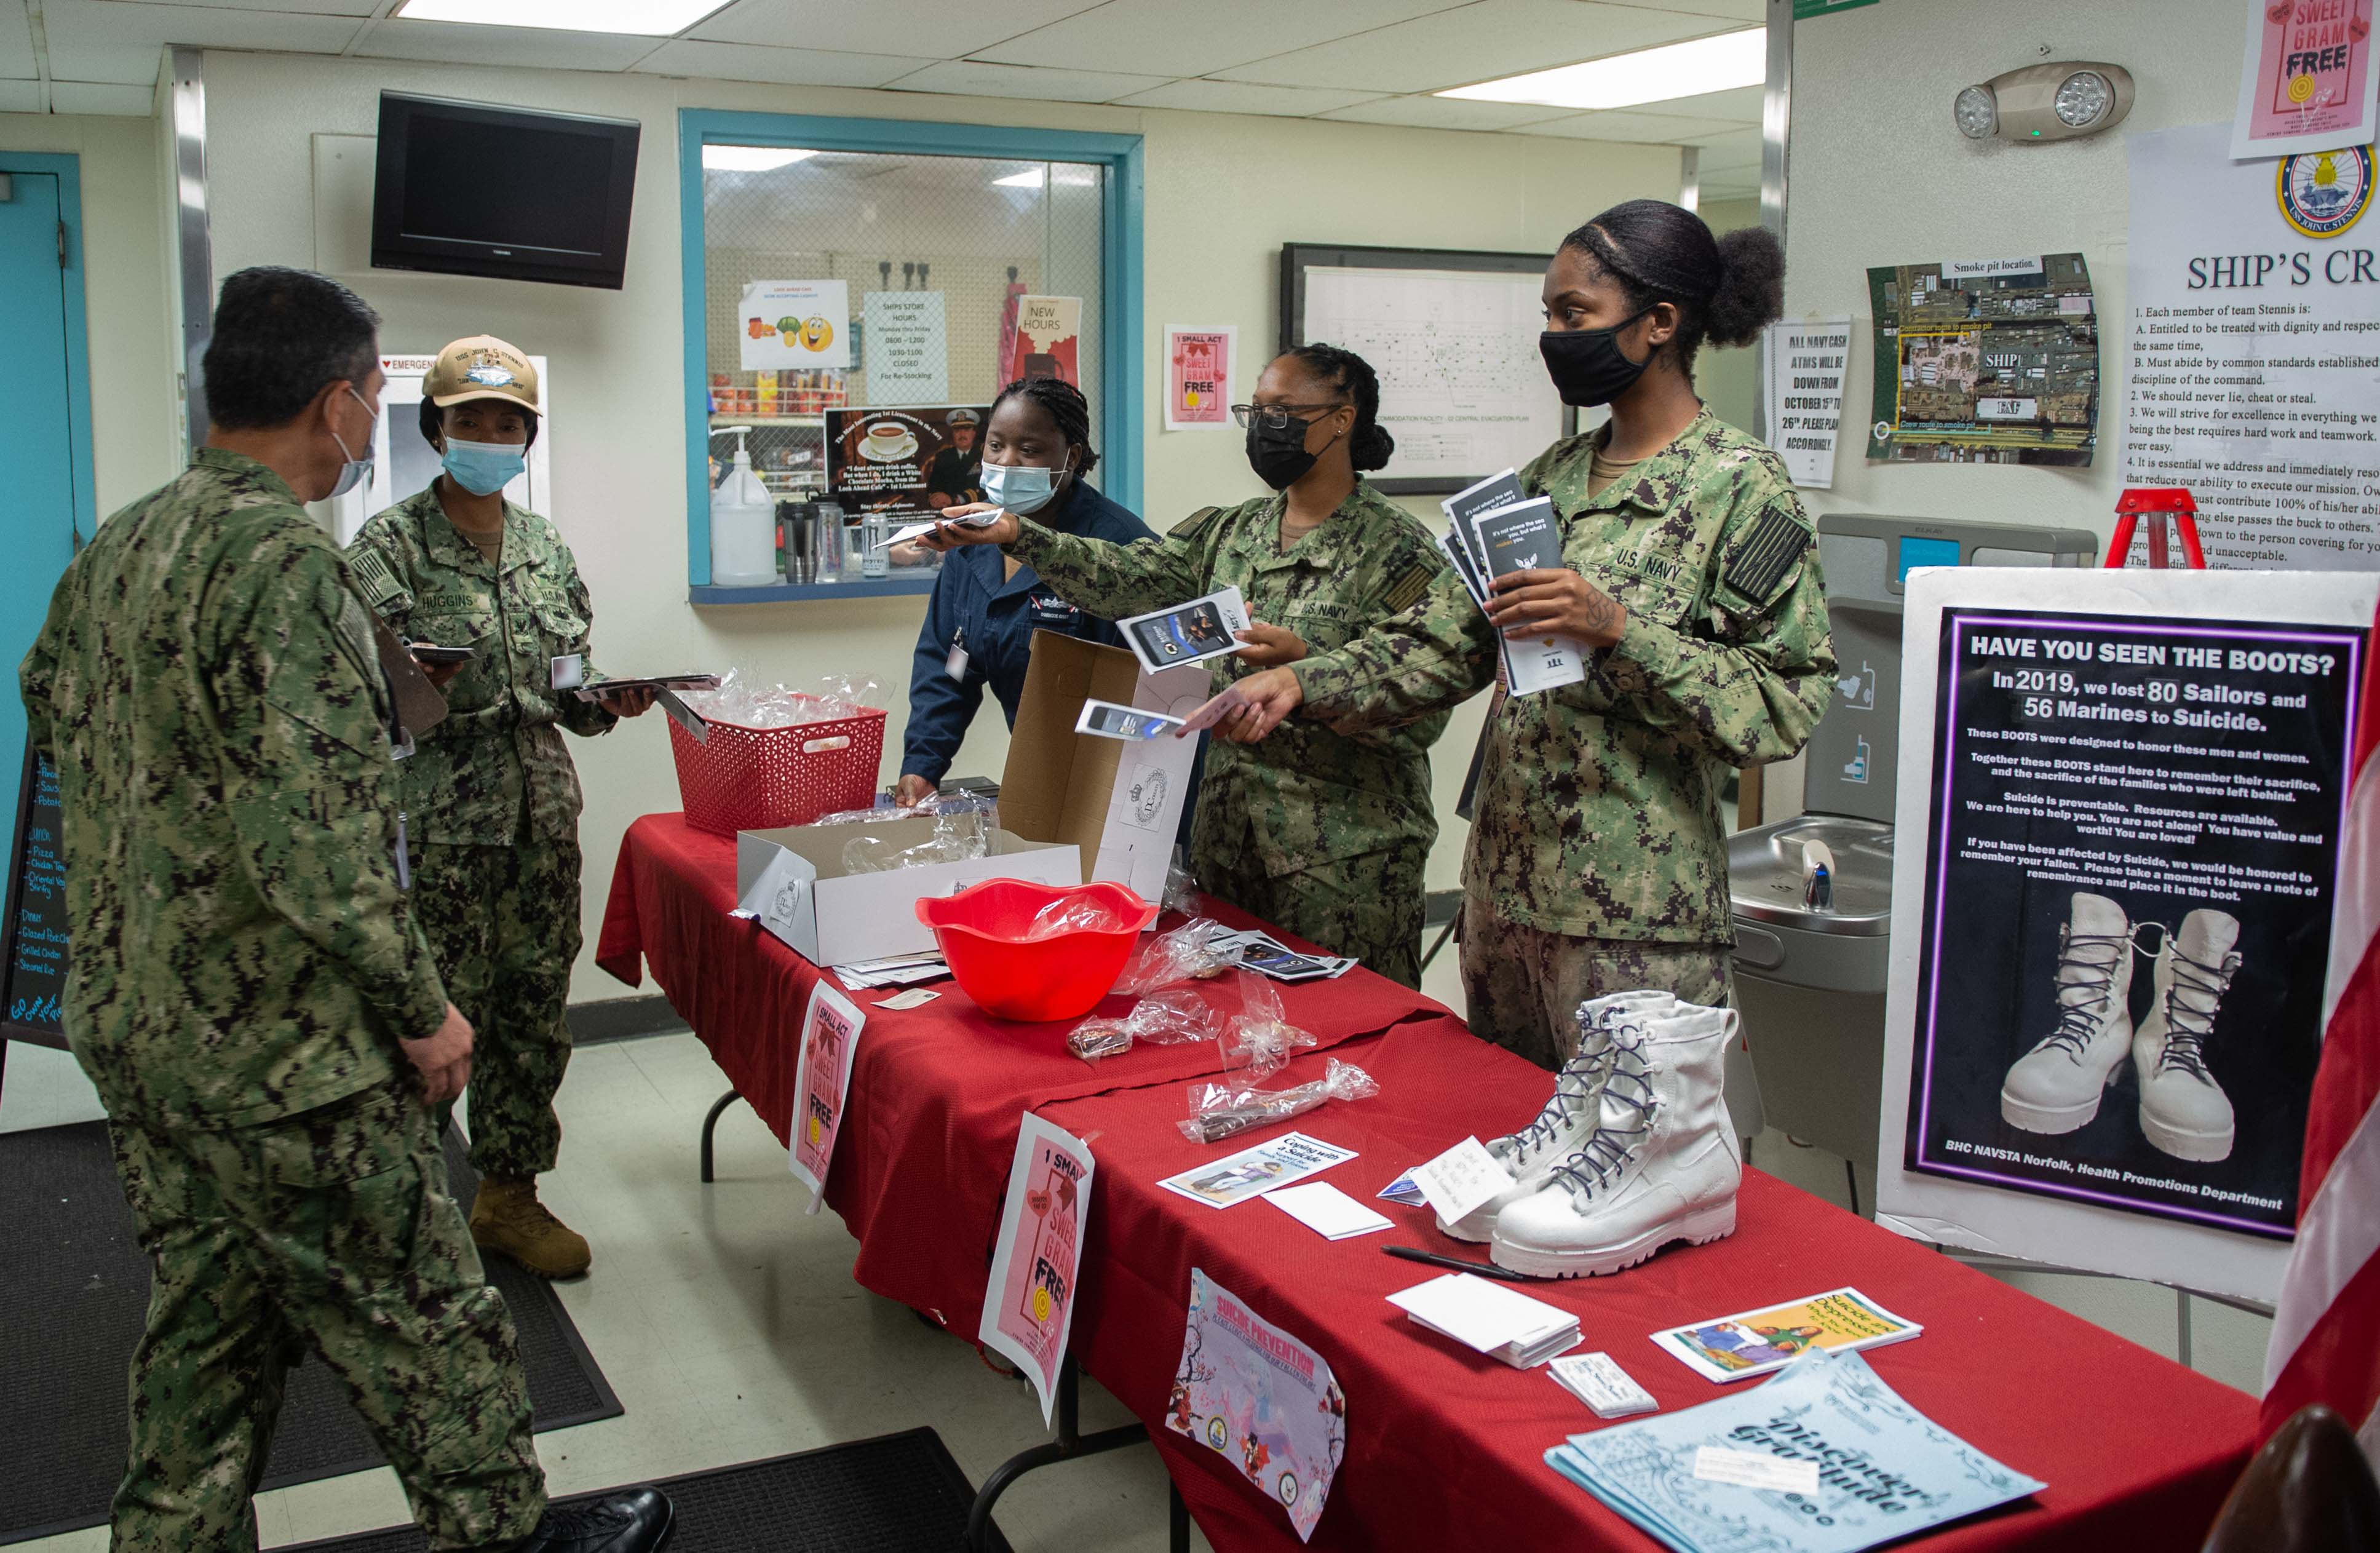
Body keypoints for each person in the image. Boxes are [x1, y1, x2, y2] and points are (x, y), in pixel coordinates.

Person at [19, 268, 668, 1552]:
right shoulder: (290, 564)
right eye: (380, 391)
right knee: (420, 1305)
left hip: (141, 1028)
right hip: (281, 1045)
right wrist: (422, 1010)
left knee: (208, 1317)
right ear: (338, 403)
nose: (378, 414)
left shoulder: (118, 547)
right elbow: (321, 840)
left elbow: (54, 718)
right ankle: (509, 1536)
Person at [1189, 203, 1836, 1064]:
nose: (1554, 336)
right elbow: (1438, 639)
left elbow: (1782, 704)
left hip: (1634, 926)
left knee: (1629, 1172)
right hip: (1502, 901)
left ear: (1659, 325)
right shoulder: (1546, 481)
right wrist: (1306, 681)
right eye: (1548, 316)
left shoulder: (1739, 488)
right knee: (1509, 1151)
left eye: (1575, 315)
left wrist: (1616, 629)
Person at [923, 345, 1450, 988]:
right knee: (1240, 1027)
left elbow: (1422, 705)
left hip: (1343, 859)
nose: (1263, 426)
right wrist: (1020, 535)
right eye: (1255, 410)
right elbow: (1132, 578)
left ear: (1340, 420)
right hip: (1229, 841)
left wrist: (1308, 673)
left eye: (1282, 410)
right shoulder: (1228, 533)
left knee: (1357, 1026)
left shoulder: (1397, 551)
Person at [347, 336, 653, 1281]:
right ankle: (408, 1215)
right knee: (436, 1018)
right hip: (440, 826)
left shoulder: (543, 546)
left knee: (530, 1016)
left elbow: (567, 677)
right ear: (436, 431)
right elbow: (374, 699)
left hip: (538, 823)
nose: (488, 435)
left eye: (505, 423)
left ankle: (507, 1195)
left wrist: (602, 698)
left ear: (526, 436)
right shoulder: (383, 547)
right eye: (468, 421)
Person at [895, 378, 1155, 806]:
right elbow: (950, 664)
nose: (1007, 462)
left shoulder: (1116, 548)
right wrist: (923, 764)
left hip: (1124, 782)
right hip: (1040, 773)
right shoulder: (972, 542)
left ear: (1071, 456)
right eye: (996, 445)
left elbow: (1151, 692)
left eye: (1029, 450)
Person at [923, 405, 983, 509]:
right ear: (953, 434)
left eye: (967, 429)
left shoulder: (983, 456)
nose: (962, 434)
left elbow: (984, 490)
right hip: (946, 509)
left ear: (974, 433)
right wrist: (936, 497)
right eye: (957, 430)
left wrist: (955, 498)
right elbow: (933, 486)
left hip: (976, 509)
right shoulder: (943, 456)